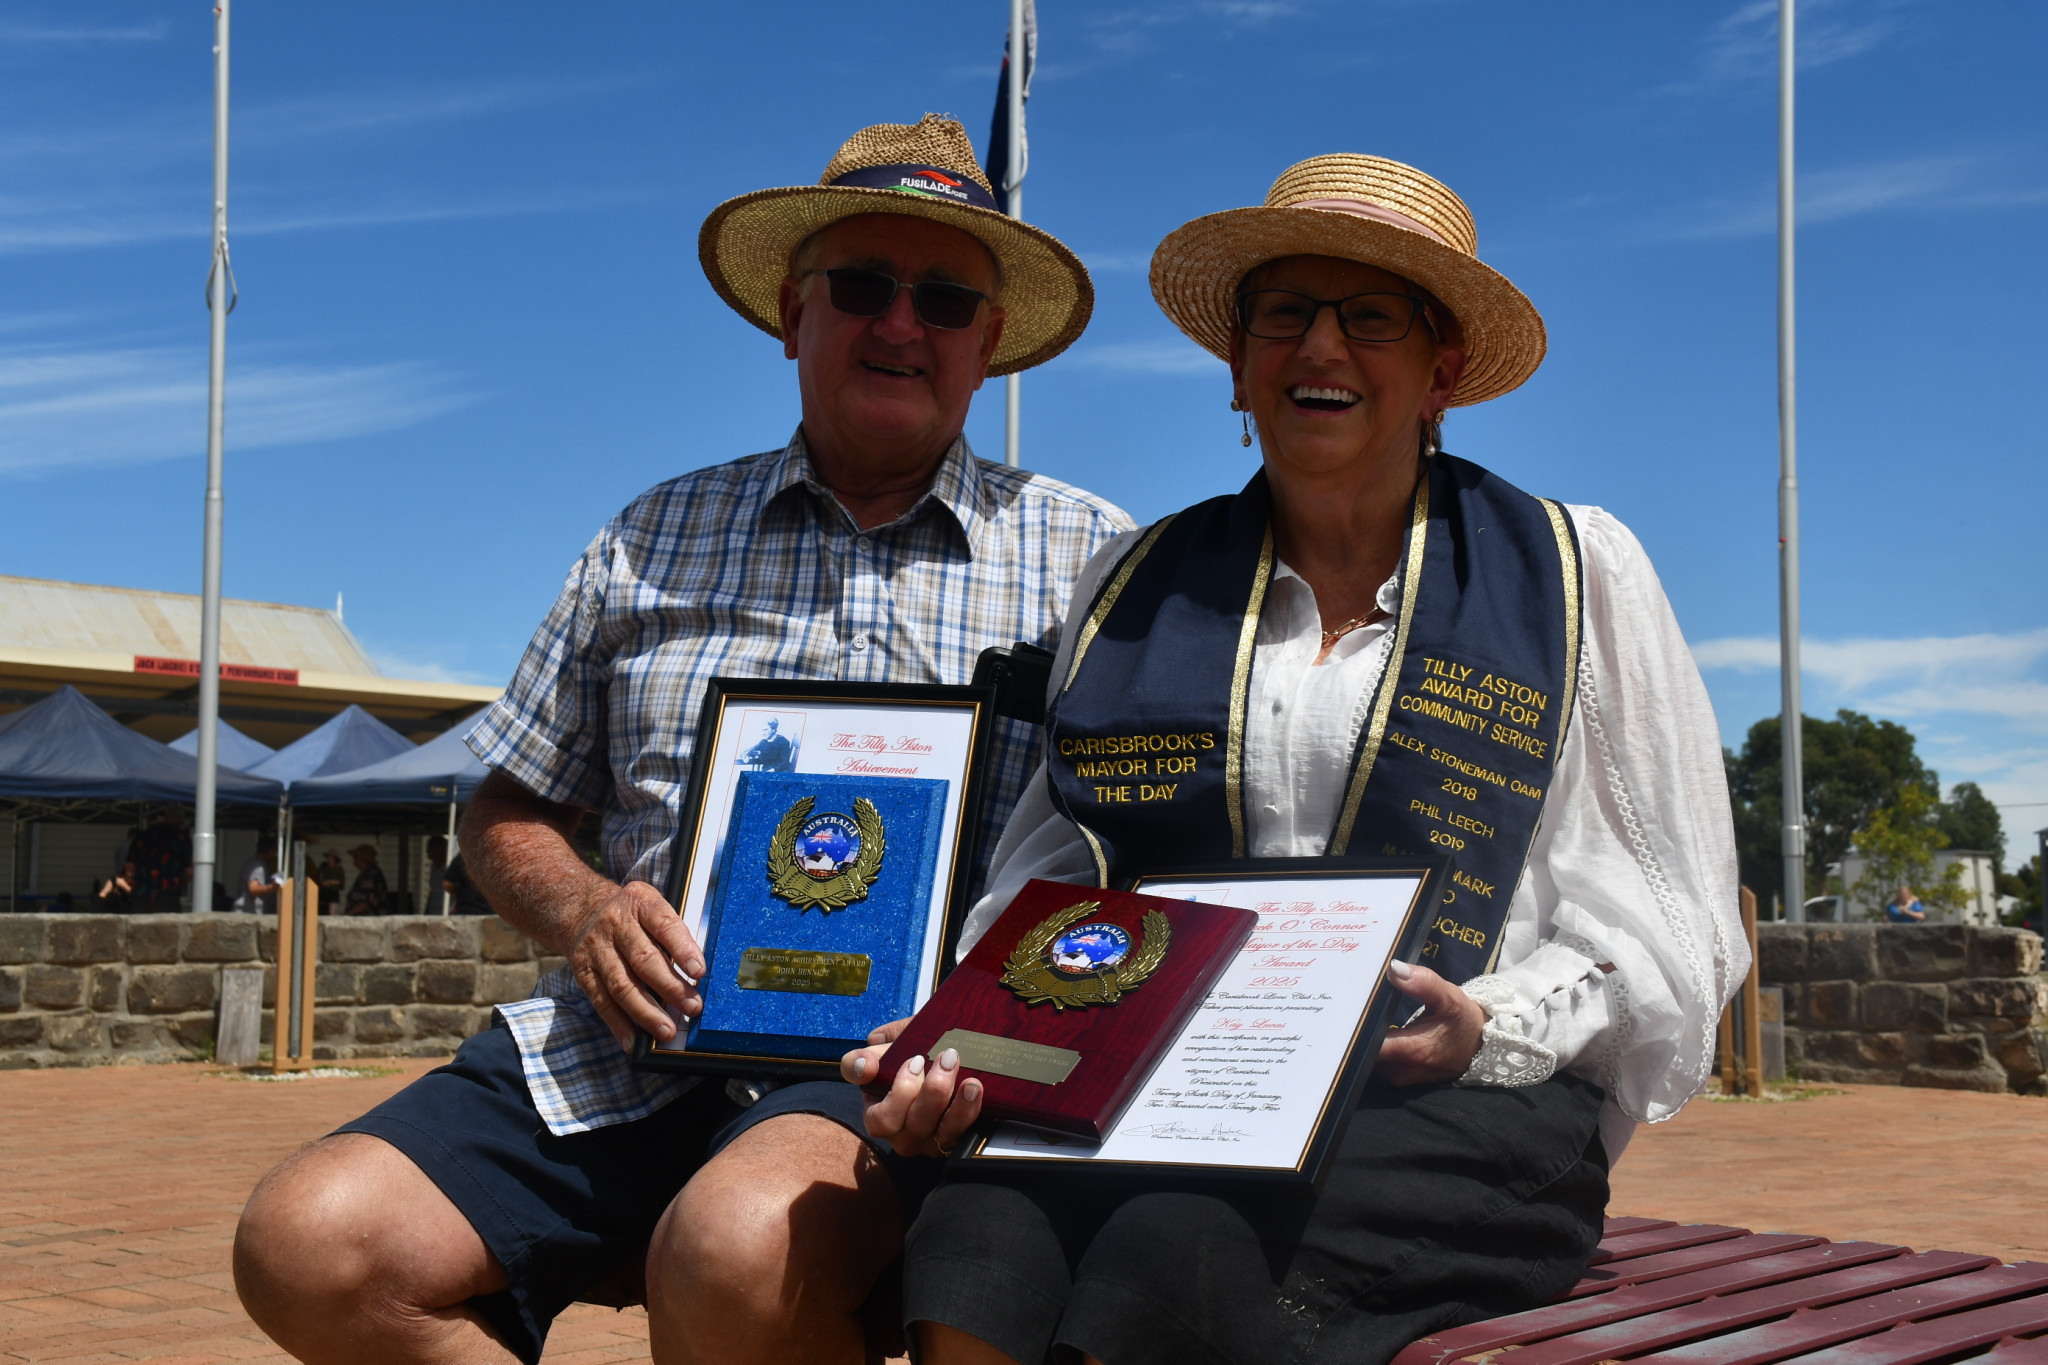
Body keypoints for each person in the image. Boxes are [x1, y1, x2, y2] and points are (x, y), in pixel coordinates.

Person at [233, 114, 1129, 1365]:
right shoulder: (649, 536)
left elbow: (1138, 856)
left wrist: (988, 1032)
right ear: (789, 311)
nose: (900, 323)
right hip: (620, 1049)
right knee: (306, 1242)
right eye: (862, 286)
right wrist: (592, 915)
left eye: (943, 298)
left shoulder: (1093, 560)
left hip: (887, 1078)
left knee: (733, 1249)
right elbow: (504, 811)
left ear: (987, 343)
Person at [846, 153, 1747, 1365]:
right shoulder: (1135, 582)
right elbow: (1057, 870)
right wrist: (960, 1032)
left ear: (1444, 371)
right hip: (1165, 1085)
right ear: (1236, 365)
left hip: (1447, 1102)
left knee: (1178, 1242)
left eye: (1368, 316)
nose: (1319, 348)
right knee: (980, 1222)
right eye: (1285, 316)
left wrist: (1490, 1022)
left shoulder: (1572, 572)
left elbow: (1668, 919)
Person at [127, 810, 191, 914]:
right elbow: (189, 871)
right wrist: (181, 883)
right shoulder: (181, 839)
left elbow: (130, 867)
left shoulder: (142, 836)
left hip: (141, 893)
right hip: (168, 894)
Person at [233, 838, 280, 915]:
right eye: (275, 851)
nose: (275, 855)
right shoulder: (258, 866)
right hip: (248, 915)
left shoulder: (255, 864)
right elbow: (253, 888)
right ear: (270, 851)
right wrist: (272, 887)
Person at [441, 850, 495, 917]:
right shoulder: (494, 856)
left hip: (466, 912)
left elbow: (447, 884)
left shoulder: (463, 856)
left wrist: (456, 893)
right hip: (491, 913)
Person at [343, 844, 391, 915]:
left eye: (356, 857)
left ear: (363, 859)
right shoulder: (364, 874)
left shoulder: (372, 875)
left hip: (371, 921)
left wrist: (350, 914)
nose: (354, 861)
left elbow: (368, 902)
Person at [425, 835, 451, 915]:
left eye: (430, 849)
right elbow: (432, 890)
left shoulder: (449, 866)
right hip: (433, 909)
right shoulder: (433, 867)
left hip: (446, 909)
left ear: (439, 849)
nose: (427, 852)